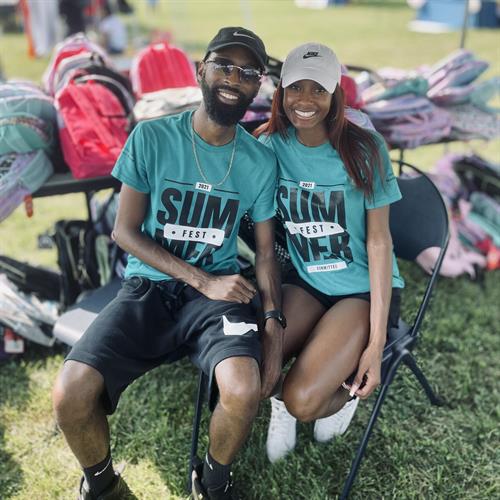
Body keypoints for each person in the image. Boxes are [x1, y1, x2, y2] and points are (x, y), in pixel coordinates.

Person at [52, 27, 284, 500]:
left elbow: (263, 253)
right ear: (201, 70)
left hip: (219, 298)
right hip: (149, 288)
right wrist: (201, 279)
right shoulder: (151, 138)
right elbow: (124, 231)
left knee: (241, 390)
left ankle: (214, 481)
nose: (232, 78)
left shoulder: (259, 161)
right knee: (70, 392)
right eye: (223, 64)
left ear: (258, 85)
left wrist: (273, 323)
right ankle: (102, 486)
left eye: (247, 72)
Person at [255, 43, 404, 462]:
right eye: (295, 88)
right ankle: (301, 377)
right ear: (280, 92)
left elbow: (379, 243)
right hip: (307, 281)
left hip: (361, 290)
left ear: (335, 94)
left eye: (317, 90)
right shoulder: (267, 146)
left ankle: (329, 396)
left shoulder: (365, 148)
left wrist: (375, 346)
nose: (305, 101)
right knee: (249, 369)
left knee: (301, 400)